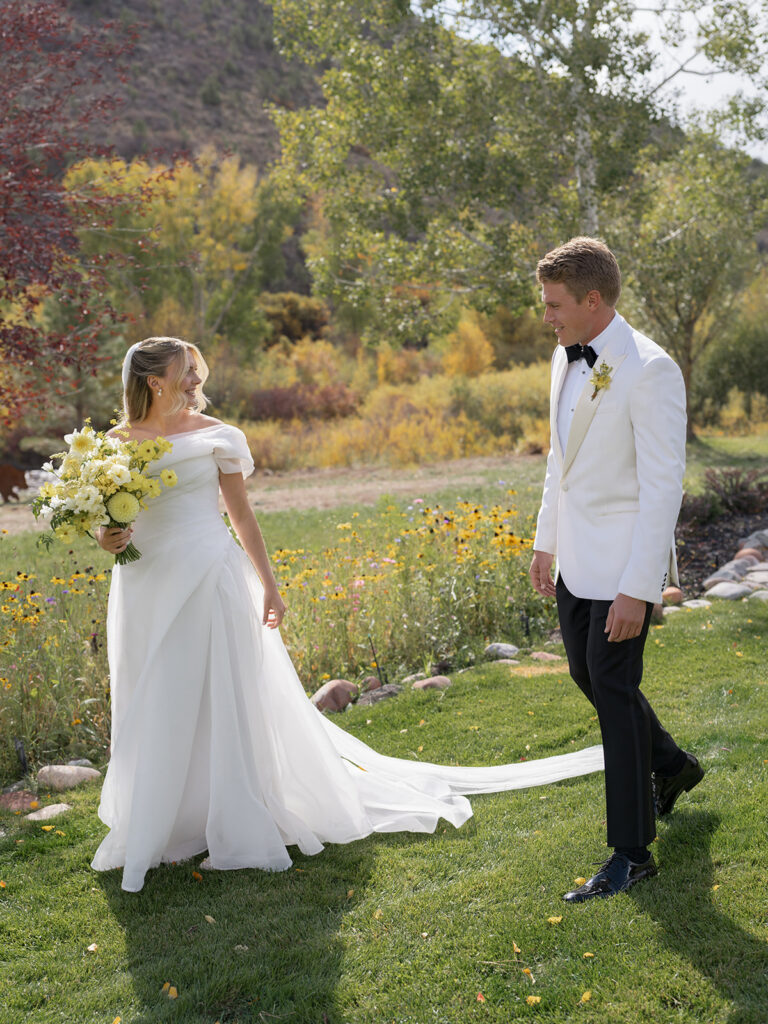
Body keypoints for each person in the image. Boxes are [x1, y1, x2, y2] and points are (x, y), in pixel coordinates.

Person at [92, 336, 605, 893]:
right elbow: (108, 522)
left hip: (211, 577)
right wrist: (107, 536)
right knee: (156, 694)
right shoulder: (113, 445)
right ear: (153, 381)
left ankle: (235, 822)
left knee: (224, 696)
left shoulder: (217, 437)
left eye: (195, 371)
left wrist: (269, 585)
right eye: (184, 373)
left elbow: (242, 519)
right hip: (146, 583)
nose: (196, 382)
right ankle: (166, 822)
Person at [529, 237, 704, 903]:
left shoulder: (650, 369)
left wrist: (640, 588)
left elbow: (663, 488)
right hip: (576, 558)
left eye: (555, 305)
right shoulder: (563, 357)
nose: (547, 316)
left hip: (625, 565)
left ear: (592, 300)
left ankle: (631, 853)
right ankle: (672, 766)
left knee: (611, 687)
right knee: (590, 677)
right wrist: (546, 539)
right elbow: (560, 459)